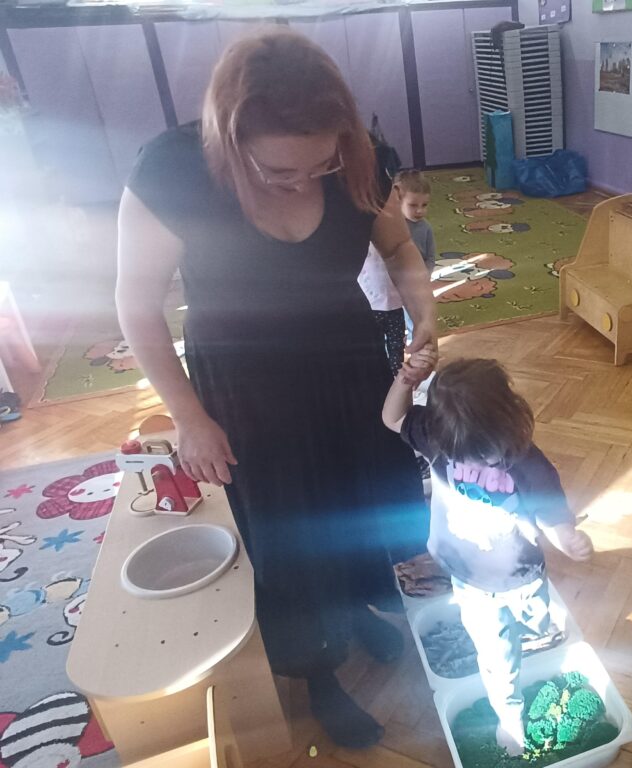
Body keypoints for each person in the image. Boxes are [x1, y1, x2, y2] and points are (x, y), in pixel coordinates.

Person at [115, 29, 436, 748]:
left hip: (349, 362)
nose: (304, 181)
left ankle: (356, 610)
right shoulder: (173, 169)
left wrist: (426, 317)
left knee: (360, 501)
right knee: (288, 529)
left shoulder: (357, 156)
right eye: (280, 169)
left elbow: (398, 247)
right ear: (230, 140)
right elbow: (136, 306)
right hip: (245, 384)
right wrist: (189, 417)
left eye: (322, 164)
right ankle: (316, 673)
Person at [382, 355, 593, 756]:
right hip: (469, 578)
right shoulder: (438, 436)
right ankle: (509, 715)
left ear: (510, 423)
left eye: (487, 455)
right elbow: (392, 417)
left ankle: (531, 629)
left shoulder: (527, 462)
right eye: (466, 455)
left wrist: (567, 538)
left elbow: (550, 515)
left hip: (523, 575)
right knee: (497, 656)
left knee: (537, 620)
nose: (476, 461)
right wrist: (406, 379)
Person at [357, 170, 436, 375]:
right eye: (413, 205)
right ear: (398, 196)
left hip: (396, 304)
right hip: (371, 304)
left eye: (424, 205)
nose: (419, 211)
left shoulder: (422, 229)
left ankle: (396, 380)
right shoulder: (370, 230)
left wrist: (422, 279)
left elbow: (425, 257)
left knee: (396, 350)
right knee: (371, 350)